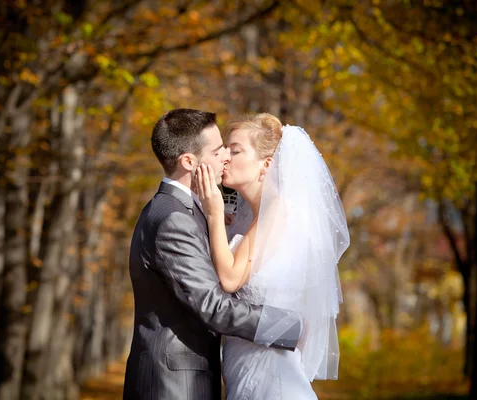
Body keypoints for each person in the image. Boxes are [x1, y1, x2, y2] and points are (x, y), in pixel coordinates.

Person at [123, 109, 305, 400]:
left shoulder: (186, 212)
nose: (225, 157)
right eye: (218, 150)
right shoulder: (174, 219)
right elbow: (212, 306)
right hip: (173, 385)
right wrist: (289, 326)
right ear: (188, 161)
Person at [195, 113, 350, 399]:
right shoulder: (251, 216)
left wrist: (214, 213)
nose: (225, 156)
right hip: (243, 366)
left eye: (236, 150)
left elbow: (229, 279)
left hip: (271, 377)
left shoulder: (278, 209)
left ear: (266, 164)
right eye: (226, 149)